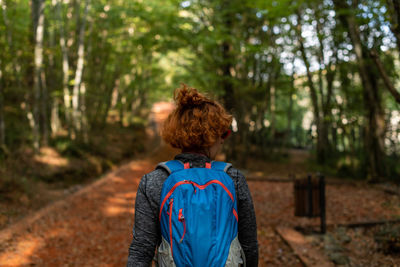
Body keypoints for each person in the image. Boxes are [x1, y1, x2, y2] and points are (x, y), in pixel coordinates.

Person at [127, 85, 258, 267]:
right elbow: (249, 246)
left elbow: (142, 249)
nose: (222, 139)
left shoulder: (154, 181)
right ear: (213, 136)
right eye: (222, 133)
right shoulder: (234, 179)